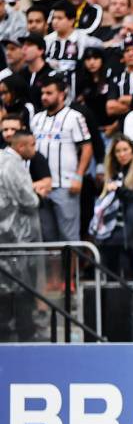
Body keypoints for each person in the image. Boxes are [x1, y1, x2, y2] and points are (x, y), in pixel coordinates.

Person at [32, 73, 92, 244]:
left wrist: (79, 176)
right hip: (43, 186)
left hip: (65, 185)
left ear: (62, 93)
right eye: (43, 93)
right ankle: (54, 273)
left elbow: (87, 147)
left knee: (69, 237)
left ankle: (72, 272)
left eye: (49, 93)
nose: (44, 97)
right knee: (47, 238)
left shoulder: (74, 116)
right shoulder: (37, 119)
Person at [0, 132, 41, 342]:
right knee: (19, 286)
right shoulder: (12, 165)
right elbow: (28, 201)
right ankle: (25, 333)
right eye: (33, 145)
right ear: (22, 146)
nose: (36, 149)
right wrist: (38, 195)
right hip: (12, 236)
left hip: (6, 235)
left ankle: (8, 332)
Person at [91, 134, 133, 280]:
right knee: (110, 275)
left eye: (125, 150)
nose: (122, 154)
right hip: (111, 234)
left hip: (131, 234)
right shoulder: (113, 174)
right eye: (118, 151)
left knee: (130, 275)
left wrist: (119, 190)